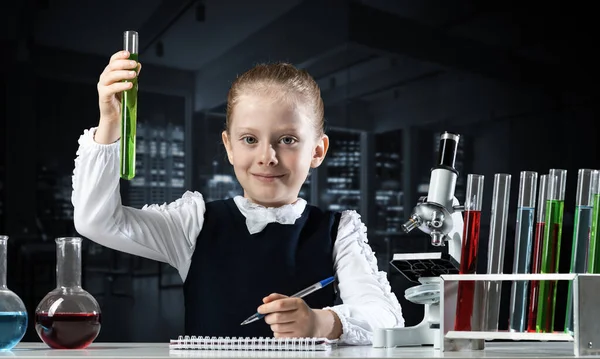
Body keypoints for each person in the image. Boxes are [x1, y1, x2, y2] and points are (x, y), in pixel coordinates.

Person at [72, 50, 404, 345]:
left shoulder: (339, 231)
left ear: (317, 150)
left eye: (287, 139)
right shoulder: (193, 223)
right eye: (249, 139)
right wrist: (111, 122)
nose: (267, 156)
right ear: (229, 146)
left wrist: (320, 321)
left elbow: (385, 318)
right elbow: (97, 220)